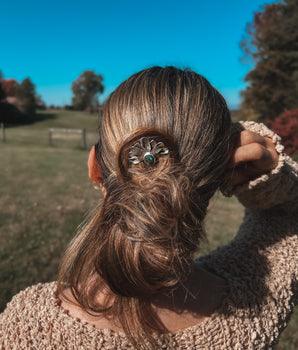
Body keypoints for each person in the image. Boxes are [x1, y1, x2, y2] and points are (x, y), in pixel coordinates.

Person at [0, 66, 297, 349]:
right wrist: (272, 174)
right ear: (223, 173)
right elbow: (288, 218)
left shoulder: (26, 327)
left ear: (95, 168)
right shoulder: (255, 302)